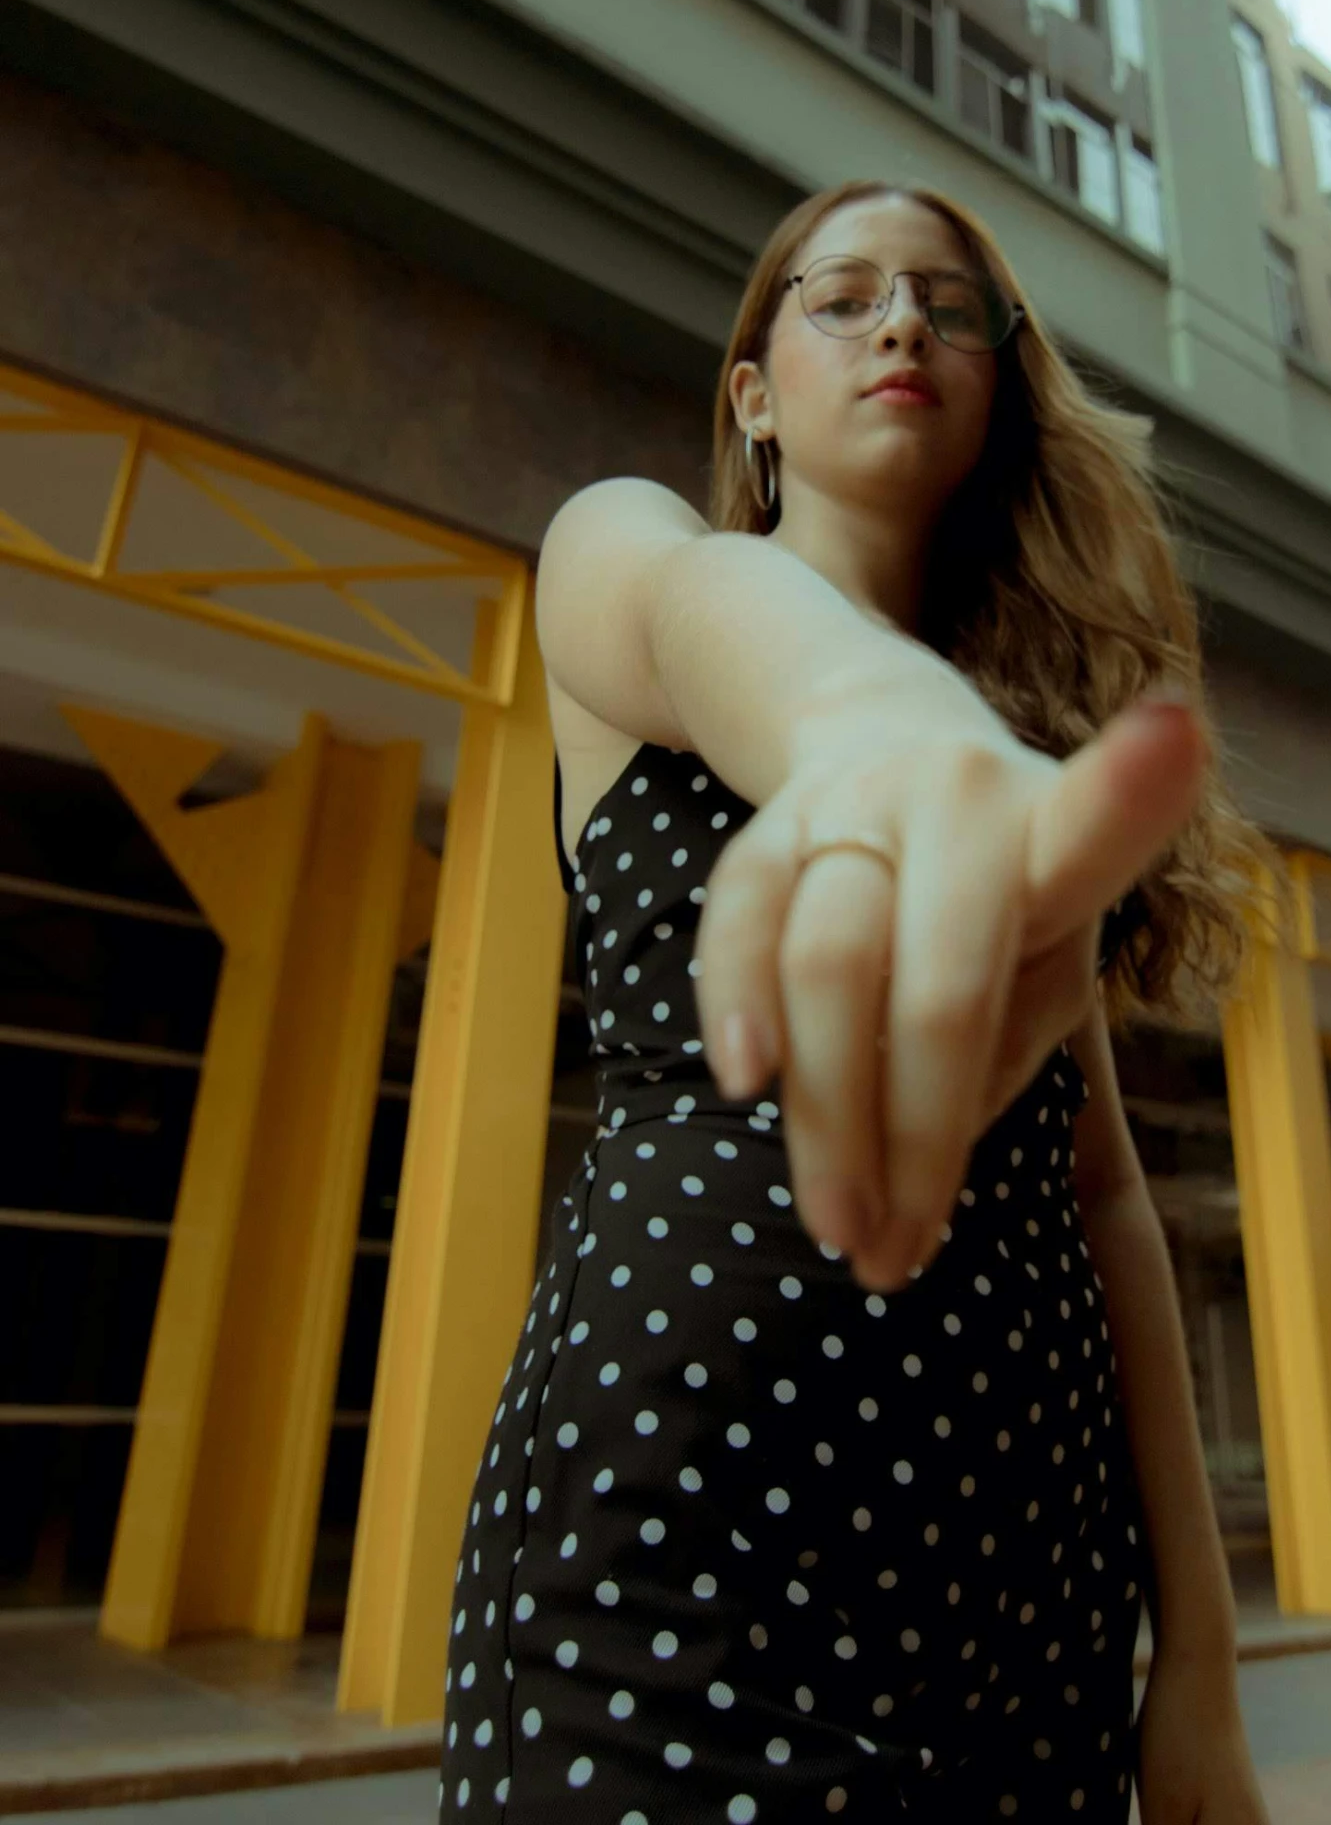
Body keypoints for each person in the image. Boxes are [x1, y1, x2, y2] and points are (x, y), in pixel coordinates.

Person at [439, 181, 1272, 1823]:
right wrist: (873, 735)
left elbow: (1100, 1192)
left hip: (1033, 1593)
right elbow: (712, 625)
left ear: (992, 390)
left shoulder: (1014, 768)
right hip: (679, 1530)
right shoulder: (631, 555)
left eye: (949, 307)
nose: (903, 323)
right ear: (751, 391)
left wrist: (1198, 1671)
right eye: (845, 297)